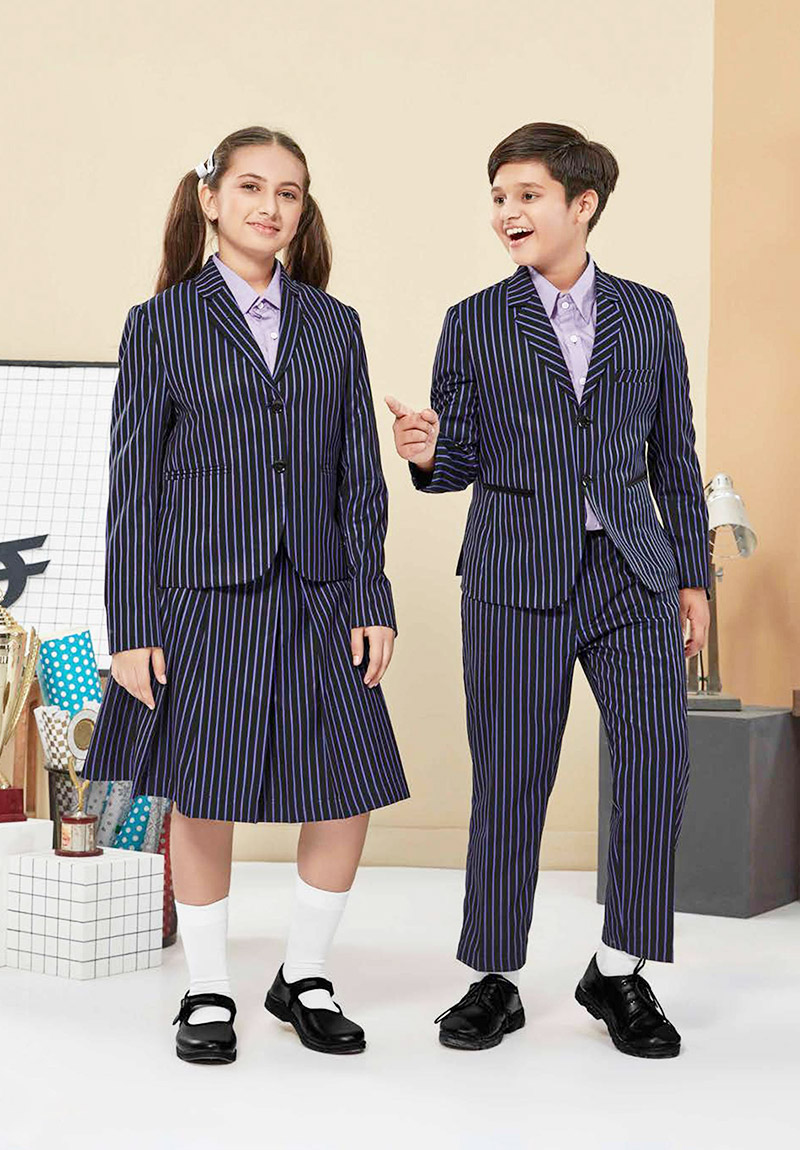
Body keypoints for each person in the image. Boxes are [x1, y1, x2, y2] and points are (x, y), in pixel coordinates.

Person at [83, 125, 409, 1064]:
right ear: (211, 199)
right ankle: (208, 987)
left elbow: (358, 477)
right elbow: (133, 488)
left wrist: (372, 596)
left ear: (304, 211)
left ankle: (304, 975)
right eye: (253, 187)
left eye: (290, 192)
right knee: (204, 789)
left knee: (347, 785)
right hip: (201, 594)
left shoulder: (334, 325)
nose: (271, 207)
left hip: (321, 589)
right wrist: (132, 625)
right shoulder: (160, 324)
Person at [386, 122, 710, 1058]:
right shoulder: (474, 320)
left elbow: (674, 457)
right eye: (498, 197)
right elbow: (460, 461)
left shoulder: (649, 315)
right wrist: (430, 452)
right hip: (513, 578)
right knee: (513, 775)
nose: (507, 213)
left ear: (583, 204)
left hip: (632, 573)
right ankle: (494, 977)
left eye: (526, 195)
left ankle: (619, 970)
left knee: (657, 761)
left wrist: (691, 577)